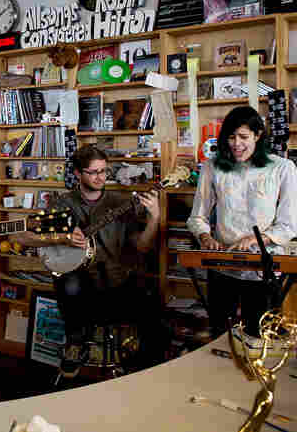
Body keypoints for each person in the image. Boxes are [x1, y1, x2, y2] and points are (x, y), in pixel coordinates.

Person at [17, 145, 162, 376]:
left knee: (153, 299)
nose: (100, 177)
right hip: (81, 292)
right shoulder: (63, 205)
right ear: (77, 174)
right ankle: (75, 343)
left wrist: (155, 218)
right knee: (69, 281)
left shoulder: (120, 203)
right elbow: (23, 236)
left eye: (104, 171)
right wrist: (64, 238)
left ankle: (147, 368)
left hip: (117, 284)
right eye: (93, 172)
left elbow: (143, 246)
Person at [187, 106, 297, 338]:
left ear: (258, 135)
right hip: (223, 264)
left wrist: (258, 238)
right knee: (219, 333)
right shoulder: (212, 167)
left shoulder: (282, 168)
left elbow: (289, 224)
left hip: (264, 266)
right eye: (231, 137)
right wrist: (205, 236)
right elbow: (198, 216)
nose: (236, 144)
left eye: (244, 137)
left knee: (259, 335)